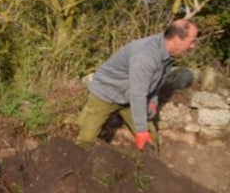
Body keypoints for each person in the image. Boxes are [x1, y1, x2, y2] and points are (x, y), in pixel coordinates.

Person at [76, 18, 198, 151]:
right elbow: (138, 94)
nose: (193, 46)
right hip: (106, 93)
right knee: (85, 140)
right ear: (177, 39)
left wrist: (152, 101)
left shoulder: (166, 53)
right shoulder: (146, 56)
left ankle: (146, 168)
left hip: (131, 96)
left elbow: (155, 81)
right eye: (191, 41)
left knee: (150, 141)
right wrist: (141, 131)